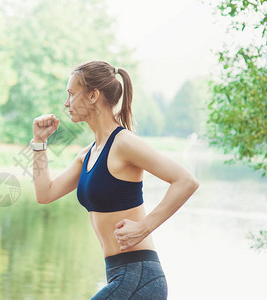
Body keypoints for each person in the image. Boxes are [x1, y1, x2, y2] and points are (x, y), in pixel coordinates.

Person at [30, 60, 199, 299]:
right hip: (119, 275)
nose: (66, 103)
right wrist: (39, 143)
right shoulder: (87, 154)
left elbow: (186, 181)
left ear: (93, 96)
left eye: (71, 94)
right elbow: (44, 194)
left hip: (140, 277)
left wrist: (144, 227)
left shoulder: (123, 143)